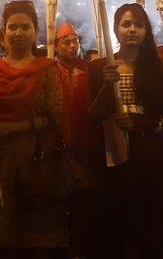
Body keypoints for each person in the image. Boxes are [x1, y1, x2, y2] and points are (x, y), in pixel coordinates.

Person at [0, 0, 67, 256]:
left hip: (33, 161)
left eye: (25, 27)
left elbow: (54, 117)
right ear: (3, 32)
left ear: (35, 32)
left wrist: (10, 129)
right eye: (12, 27)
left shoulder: (47, 70)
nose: (18, 33)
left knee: (30, 239)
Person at [88, 3, 163, 257]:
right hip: (111, 152)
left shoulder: (155, 68)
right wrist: (107, 85)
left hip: (146, 154)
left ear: (147, 30)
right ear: (115, 30)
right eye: (126, 24)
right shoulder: (100, 67)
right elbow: (92, 115)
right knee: (114, 213)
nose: (132, 30)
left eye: (138, 25)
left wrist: (136, 124)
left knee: (145, 216)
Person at [54, 22, 94, 256]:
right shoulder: (50, 71)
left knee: (83, 197)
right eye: (66, 42)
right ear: (57, 46)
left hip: (84, 142)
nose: (71, 46)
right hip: (59, 144)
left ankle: (79, 245)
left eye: (74, 42)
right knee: (59, 197)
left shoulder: (89, 71)